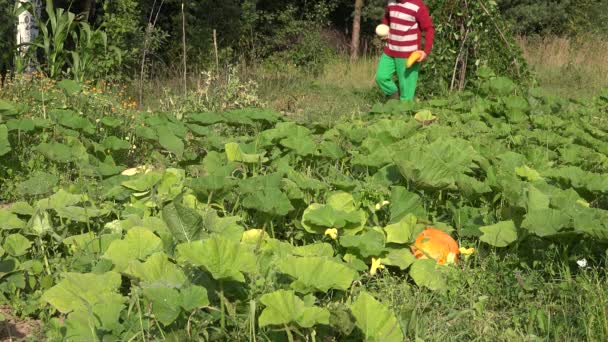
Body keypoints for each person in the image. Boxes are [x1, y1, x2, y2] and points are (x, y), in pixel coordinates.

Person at [375, 0, 435, 101]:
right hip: (390, 50)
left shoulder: (417, 6)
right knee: (381, 77)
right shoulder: (391, 2)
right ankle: (394, 97)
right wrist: (384, 28)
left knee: (406, 92)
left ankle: (404, 113)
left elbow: (429, 28)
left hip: (408, 54)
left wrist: (425, 51)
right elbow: (387, 17)